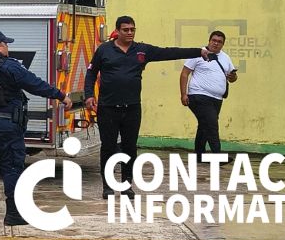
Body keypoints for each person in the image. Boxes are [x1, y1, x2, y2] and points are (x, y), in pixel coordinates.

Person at [0, 30, 72, 226]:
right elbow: (34, 84)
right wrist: (60, 95)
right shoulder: (10, 66)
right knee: (11, 168)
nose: (8, 48)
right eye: (6, 45)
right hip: (7, 125)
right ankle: (12, 214)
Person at [84, 16, 208, 197]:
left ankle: (126, 184)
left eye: (132, 29)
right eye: (125, 30)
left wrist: (198, 51)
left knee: (129, 147)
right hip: (108, 107)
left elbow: (169, 52)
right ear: (117, 31)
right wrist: (89, 96)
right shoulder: (104, 50)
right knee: (108, 147)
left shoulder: (141, 50)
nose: (129, 33)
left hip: (132, 108)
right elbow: (91, 73)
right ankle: (107, 186)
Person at [180, 30, 238, 159]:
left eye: (219, 42)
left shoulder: (225, 57)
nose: (216, 43)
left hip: (217, 99)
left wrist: (233, 76)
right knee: (211, 124)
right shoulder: (198, 54)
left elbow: (232, 79)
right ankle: (217, 156)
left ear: (223, 44)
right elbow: (184, 74)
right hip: (198, 95)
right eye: (214, 40)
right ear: (209, 40)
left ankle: (199, 155)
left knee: (205, 125)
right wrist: (184, 94)